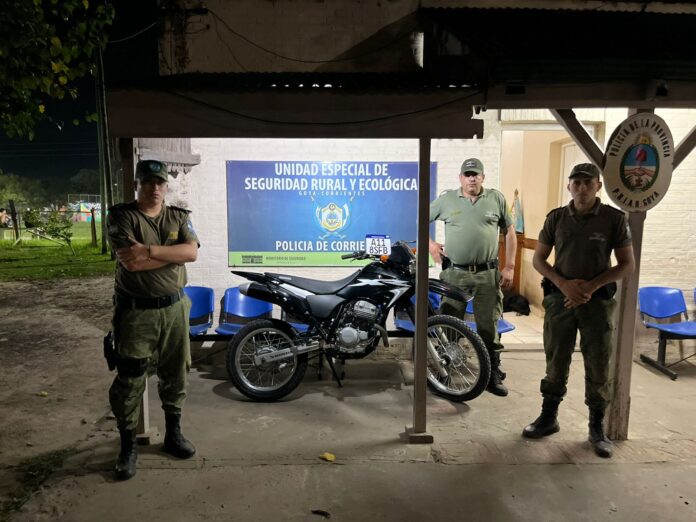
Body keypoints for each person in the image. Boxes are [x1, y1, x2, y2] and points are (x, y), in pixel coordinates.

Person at [523, 163, 635, 458]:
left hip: (597, 304)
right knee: (555, 360)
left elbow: (627, 265)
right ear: (569, 186)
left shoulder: (613, 219)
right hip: (560, 302)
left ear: (598, 186)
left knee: (598, 364)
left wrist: (589, 288)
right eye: (577, 182)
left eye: (588, 182)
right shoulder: (556, 218)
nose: (582, 188)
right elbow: (539, 259)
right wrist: (564, 285)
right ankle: (549, 417)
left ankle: (597, 427)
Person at [107, 159, 199, 480]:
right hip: (136, 314)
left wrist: (148, 250)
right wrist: (171, 256)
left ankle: (173, 434)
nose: (155, 188)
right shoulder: (122, 216)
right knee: (131, 378)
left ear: (165, 185)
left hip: (175, 309)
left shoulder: (178, 216)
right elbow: (131, 264)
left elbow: (191, 253)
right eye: (148, 182)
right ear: (137, 184)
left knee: (176, 371)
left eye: (160, 182)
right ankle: (128, 446)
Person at [429, 157, 517, 396]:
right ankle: (444, 369)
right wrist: (431, 245)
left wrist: (510, 266)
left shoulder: (496, 198)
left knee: (489, 325)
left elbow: (509, 232)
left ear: (482, 177)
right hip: (455, 274)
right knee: (449, 322)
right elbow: (419, 219)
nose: (471, 179)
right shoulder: (447, 200)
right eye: (467, 175)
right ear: (460, 178)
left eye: (475, 174)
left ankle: (491, 373)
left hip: (487, 275)